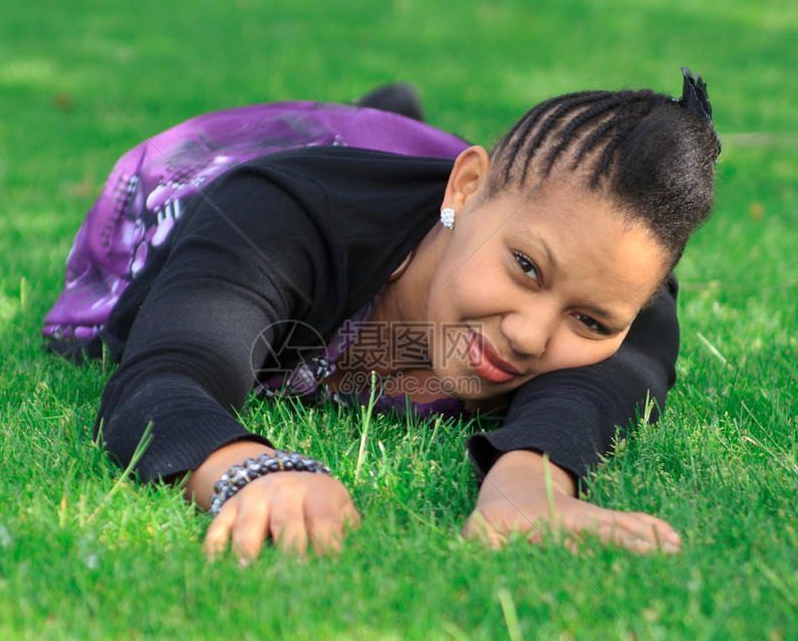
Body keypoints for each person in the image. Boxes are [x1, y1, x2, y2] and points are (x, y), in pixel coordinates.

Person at [43, 71, 720, 561]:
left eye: (591, 321)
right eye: (525, 267)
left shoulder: (632, 320)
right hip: (238, 176)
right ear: (470, 186)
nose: (528, 334)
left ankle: (397, 119)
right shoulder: (276, 222)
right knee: (371, 154)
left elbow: (593, 391)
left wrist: (527, 484)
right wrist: (251, 469)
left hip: (433, 193)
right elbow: (165, 378)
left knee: (431, 168)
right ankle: (387, 119)